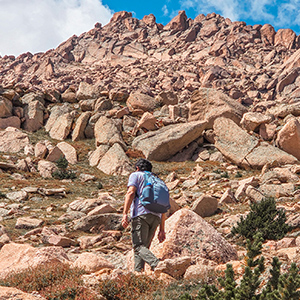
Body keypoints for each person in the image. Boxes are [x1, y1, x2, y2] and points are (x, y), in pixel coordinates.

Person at [122, 158, 166, 272]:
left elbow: (131, 192)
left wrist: (124, 213)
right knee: (142, 248)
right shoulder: (157, 180)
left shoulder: (136, 175)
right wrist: (162, 229)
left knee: (138, 246)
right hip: (156, 217)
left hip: (141, 215)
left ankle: (156, 264)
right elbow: (164, 205)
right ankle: (138, 274)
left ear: (137, 168)